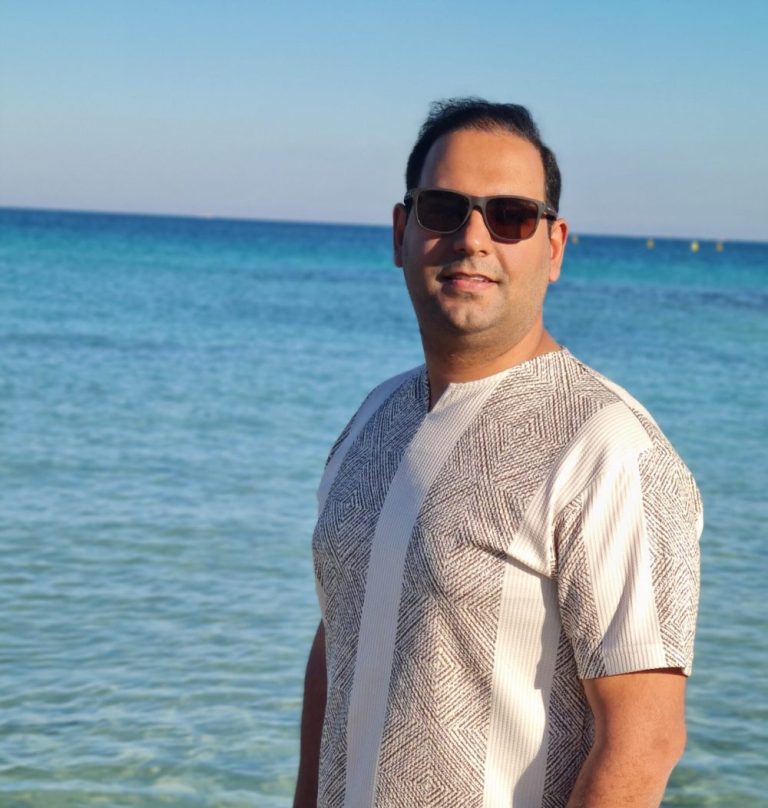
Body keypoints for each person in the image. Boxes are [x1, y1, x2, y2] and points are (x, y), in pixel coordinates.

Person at [293, 98, 702, 808]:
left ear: (554, 246)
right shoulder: (374, 419)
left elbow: (644, 741)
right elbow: (339, 649)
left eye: (510, 216)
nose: (473, 239)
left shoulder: (605, 449)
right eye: (444, 209)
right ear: (402, 232)